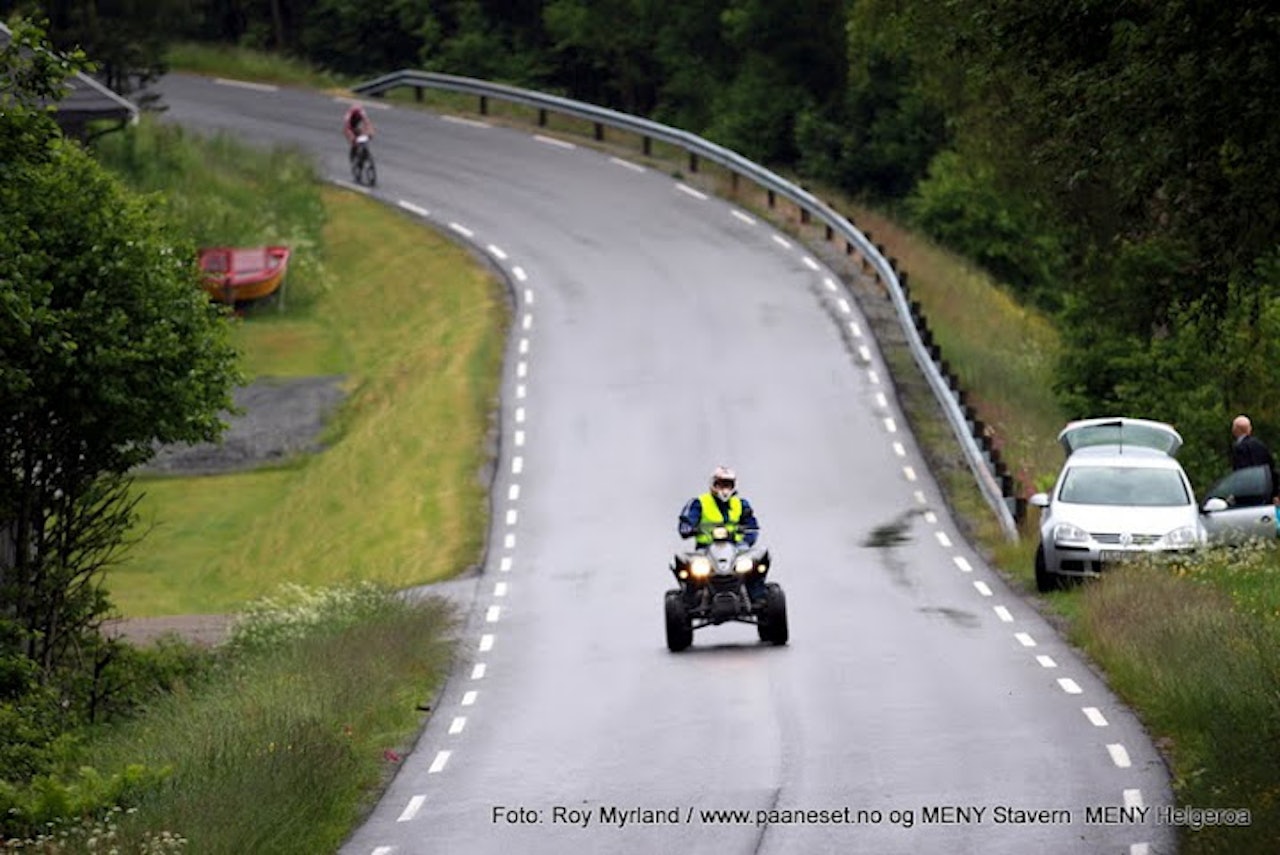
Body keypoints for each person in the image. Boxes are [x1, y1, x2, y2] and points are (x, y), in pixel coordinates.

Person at [677, 466, 765, 603]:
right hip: (706, 549)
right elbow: (686, 521)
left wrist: (747, 539)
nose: (724, 489)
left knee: (759, 559)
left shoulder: (741, 504)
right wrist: (688, 528)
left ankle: (759, 598)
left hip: (737, 549)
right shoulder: (699, 503)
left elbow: (752, 526)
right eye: (721, 484)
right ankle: (690, 601)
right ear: (713, 484)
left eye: (728, 484)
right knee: (685, 564)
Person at [1230, 415, 1279, 502]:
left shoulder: (1239, 449)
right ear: (1249, 429)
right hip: (1265, 493)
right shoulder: (1261, 446)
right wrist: (1275, 493)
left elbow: (1240, 474)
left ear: (1235, 430)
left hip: (1247, 495)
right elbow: (1271, 469)